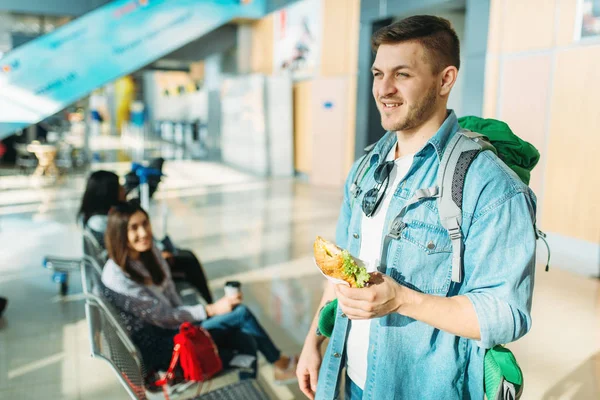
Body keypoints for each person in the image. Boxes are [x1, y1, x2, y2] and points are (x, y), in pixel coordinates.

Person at [296, 15, 537, 400]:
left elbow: (506, 314)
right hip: (353, 379)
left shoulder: (489, 184)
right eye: (378, 74)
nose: (384, 90)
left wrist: (403, 300)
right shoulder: (366, 167)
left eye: (402, 74)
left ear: (445, 80)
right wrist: (315, 340)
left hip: (423, 388)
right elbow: (343, 267)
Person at [101, 201, 298, 384]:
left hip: (176, 330)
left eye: (145, 223)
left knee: (245, 340)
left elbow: (170, 295)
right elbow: (163, 317)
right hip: (165, 348)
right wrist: (210, 310)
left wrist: (194, 319)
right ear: (119, 233)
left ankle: (259, 384)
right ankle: (280, 364)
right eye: (133, 228)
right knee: (241, 314)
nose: (144, 232)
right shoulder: (118, 276)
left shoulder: (148, 252)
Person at [78, 170, 214, 303]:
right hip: (134, 262)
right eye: (119, 186)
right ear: (107, 191)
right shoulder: (104, 222)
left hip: (137, 258)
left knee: (186, 256)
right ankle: (210, 304)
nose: (123, 189)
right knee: (188, 261)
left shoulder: (95, 217)